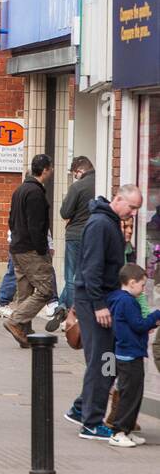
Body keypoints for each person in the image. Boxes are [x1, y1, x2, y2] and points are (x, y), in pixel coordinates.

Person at [69, 185, 144, 440]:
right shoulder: (101, 224)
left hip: (101, 300)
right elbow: (91, 269)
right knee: (104, 362)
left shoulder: (108, 222)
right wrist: (99, 304)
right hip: (95, 302)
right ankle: (91, 422)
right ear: (118, 199)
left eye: (137, 209)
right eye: (131, 207)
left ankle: (82, 409)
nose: (133, 213)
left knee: (104, 360)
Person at [4, 154, 56, 348]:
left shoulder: (19, 190)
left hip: (16, 247)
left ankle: (24, 333)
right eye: (50, 168)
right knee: (45, 289)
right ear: (44, 170)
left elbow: (11, 220)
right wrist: (43, 250)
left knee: (25, 290)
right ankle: (15, 321)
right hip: (30, 249)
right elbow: (37, 226)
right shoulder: (35, 193)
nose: (51, 171)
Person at [107, 264, 156, 448]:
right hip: (130, 355)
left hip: (128, 352)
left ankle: (127, 430)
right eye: (143, 286)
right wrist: (156, 316)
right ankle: (118, 431)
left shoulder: (120, 299)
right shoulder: (127, 301)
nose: (143, 290)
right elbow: (139, 324)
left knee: (135, 393)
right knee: (130, 394)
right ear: (132, 282)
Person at [51, 156, 96, 330]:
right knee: (85, 274)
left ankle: (70, 314)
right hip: (93, 235)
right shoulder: (103, 182)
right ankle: (62, 306)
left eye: (74, 173)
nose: (74, 176)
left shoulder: (77, 187)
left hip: (75, 235)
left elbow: (65, 212)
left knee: (71, 277)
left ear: (80, 170)